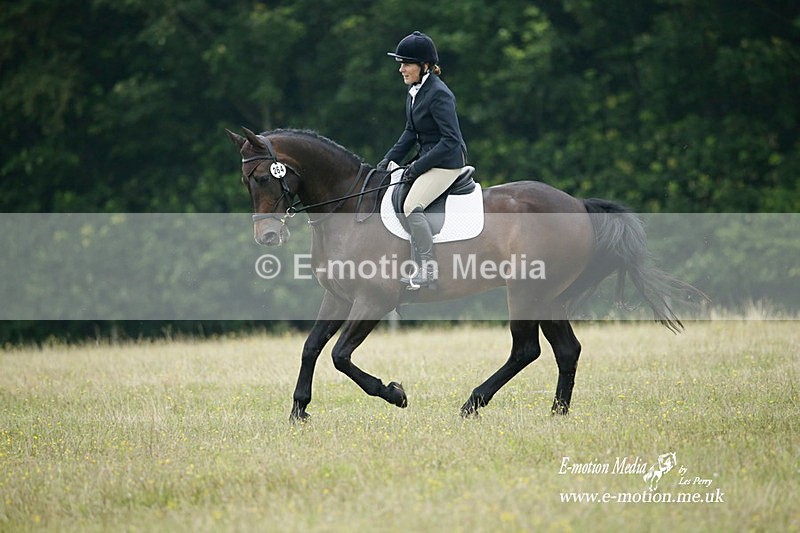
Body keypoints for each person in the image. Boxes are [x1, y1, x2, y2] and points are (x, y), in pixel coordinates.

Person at [377, 31, 468, 290]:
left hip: (447, 162)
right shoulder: (415, 91)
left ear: (424, 66)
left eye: (406, 64)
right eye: (401, 64)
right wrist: (388, 159)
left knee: (411, 206)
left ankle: (428, 269)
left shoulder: (439, 94)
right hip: (429, 158)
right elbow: (410, 132)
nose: (401, 69)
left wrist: (416, 167)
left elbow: (451, 140)